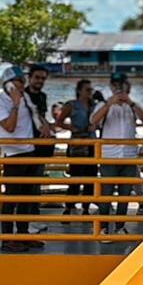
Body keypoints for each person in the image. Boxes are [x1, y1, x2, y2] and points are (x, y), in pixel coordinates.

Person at [0, 66, 44, 252]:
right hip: (13, 154)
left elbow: (34, 116)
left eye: (23, 81)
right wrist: (15, 104)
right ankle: (6, 239)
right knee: (11, 198)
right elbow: (9, 127)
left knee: (27, 198)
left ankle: (22, 234)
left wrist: (45, 127)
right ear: (9, 83)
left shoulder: (25, 97)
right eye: (19, 82)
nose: (23, 85)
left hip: (30, 150)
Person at [92, 73, 143, 234]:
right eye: (116, 85)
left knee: (124, 195)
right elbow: (93, 121)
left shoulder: (132, 106)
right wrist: (108, 105)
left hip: (129, 157)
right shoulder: (104, 104)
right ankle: (103, 227)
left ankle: (120, 226)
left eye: (122, 85)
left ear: (127, 87)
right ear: (111, 87)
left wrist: (131, 103)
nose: (119, 89)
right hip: (109, 157)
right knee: (106, 194)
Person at [56, 79, 100, 216]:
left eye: (91, 90)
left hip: (92, 143)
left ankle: (86, 207)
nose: (90, 93)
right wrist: (71, 128)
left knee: (90, 178)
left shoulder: (95, 105)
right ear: (79, 90)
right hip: (77, 144)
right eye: (87, 90)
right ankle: (69, 206)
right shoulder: (72, 105)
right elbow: (59, 121)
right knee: (75, 177)